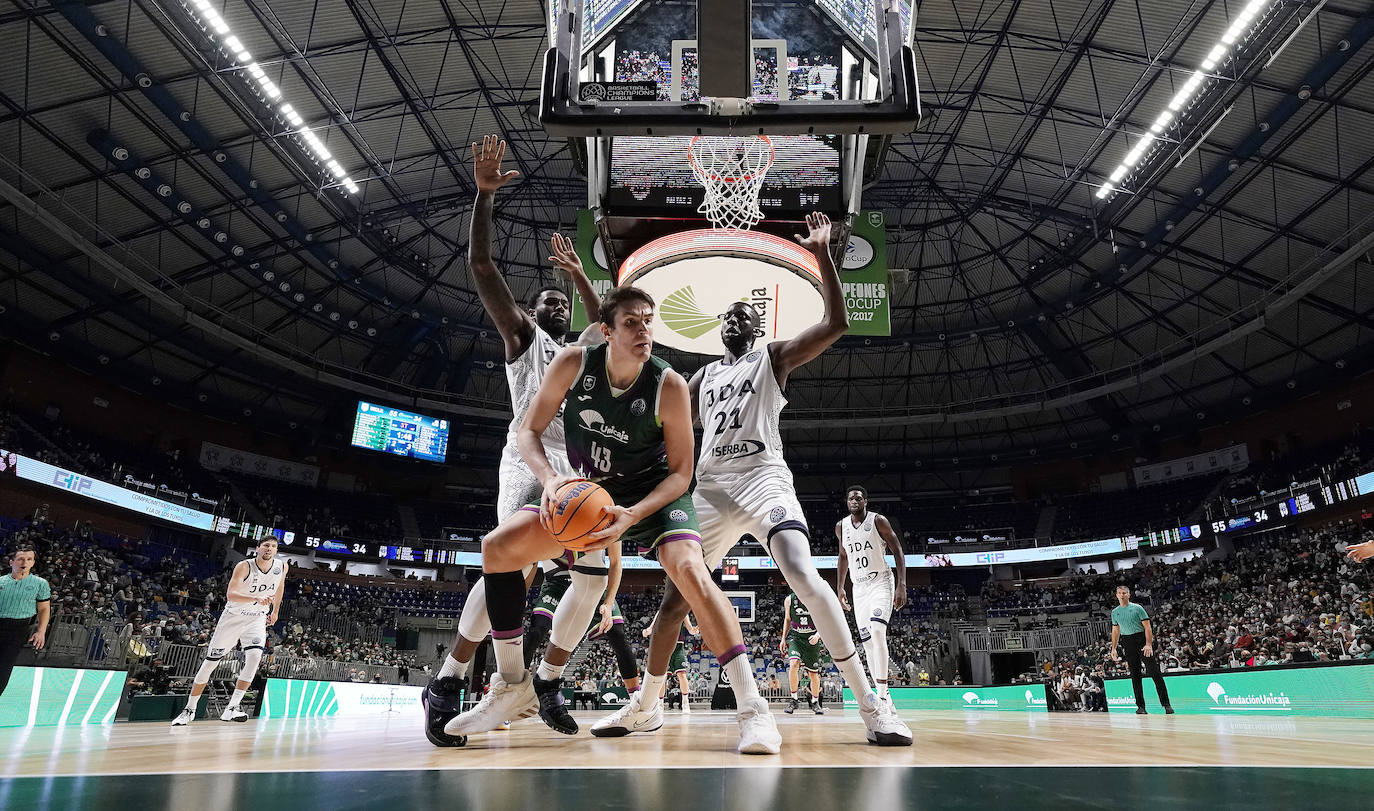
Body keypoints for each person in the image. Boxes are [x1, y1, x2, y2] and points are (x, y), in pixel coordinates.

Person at [445, 286, 782, 754]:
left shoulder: (669, 386)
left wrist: (634, 516)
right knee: (497, 549)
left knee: (688, 570)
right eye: (631, 322)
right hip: (591, 495)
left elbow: (683, 472)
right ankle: (512, 684)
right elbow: (529, 431)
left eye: (649, 320)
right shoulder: (573, 364)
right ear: (606, 331)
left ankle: (753, 710)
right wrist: (548, 480)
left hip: (654, 496)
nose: (644, 330)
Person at [620, 211, 908, 745]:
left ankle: (871, 705)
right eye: (726, 316)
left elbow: (836, 324)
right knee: (673, 600)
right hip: (709, 485)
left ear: (758, 327)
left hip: (762, 477)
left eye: (743, 315)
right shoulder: (701, 376)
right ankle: (646, 704)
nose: (732, 319)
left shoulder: (772, 358)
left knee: (802, 571)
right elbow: (662, 426)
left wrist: (822, 253)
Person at [422, 134, 605, 747]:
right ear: (533, 313)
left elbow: (606, 324)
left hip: (573, 465)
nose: (555, 305)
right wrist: (484, 196)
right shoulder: (526, 341)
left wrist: (579, 276)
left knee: (595, 576)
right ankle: (466, 679)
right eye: (546, 299)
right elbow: (481, 268)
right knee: (511, 563)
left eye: (562, 303)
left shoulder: (583, 352)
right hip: (528, 456)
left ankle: (536, 678)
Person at [172, 538, 285, 725]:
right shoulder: (244, 566)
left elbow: (279, 587)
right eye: (266, 545)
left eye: (273, 546)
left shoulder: (281, 566)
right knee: (210, 663)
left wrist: (275, 611)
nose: (270, 549)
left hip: (256, 619)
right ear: (257, 548)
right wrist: (256, 597)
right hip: (233, 617)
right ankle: (189, 710)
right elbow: (231, 594)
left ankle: (232, 708)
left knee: (255, 658)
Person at [836, 485, 907, 701]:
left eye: (858, 498)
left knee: (877, 632)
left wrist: (902, 584)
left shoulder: (879, 521)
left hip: (880, 581)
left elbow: (897, 550)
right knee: (866, 642)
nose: (854, 501)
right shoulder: (841, 527)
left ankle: (884, 696)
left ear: (865, 501)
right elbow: (843, 556)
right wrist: (840, 587)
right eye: (850, 499)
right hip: (859, 587)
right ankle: (879, 691)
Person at [1110, 584, 1174, 715]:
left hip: (1141, 640)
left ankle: (1166, 704)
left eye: (1124, 593)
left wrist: (1148, 644)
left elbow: (1148, 627)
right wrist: (1114, 648)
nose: (1122, 595)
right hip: (1127, 641)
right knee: (1135, 675)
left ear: (1129, 595)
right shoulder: (1115, 612)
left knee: (1154, 672)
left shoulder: (1137, 608)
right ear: (1116, 595)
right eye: (1120, 593)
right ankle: (1140, 706)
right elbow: (1116, 631)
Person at [0, 545, 50, 699]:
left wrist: (41, 631)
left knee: (3, 669)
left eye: (29, 559)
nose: (25, 562)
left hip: (18, 629)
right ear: (11, 562)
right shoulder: (1, 581)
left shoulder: (40, 583)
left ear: (33, 563)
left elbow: (44, 609)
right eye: (21, 559)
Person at [779, 593, 825, 715]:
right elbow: (787, 619)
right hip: (796, 638)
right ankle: (794, 699)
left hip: (812, 638)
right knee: (793, 664)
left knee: (813, 674)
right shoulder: (789, 599)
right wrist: (783, 638)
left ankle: (815, 702)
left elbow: (824, 620)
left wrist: (817, 635)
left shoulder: (816, 598)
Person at [644, 611, 697, 712]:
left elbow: (690, 629)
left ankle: (685, 703)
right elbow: (651, 628)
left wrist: (694, 631)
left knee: (682, 674)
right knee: (663, 677)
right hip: (665, 647)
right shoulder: (661, 611)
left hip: (678, 646)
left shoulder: (683, 612)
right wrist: (646, 631)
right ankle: (660, 704)